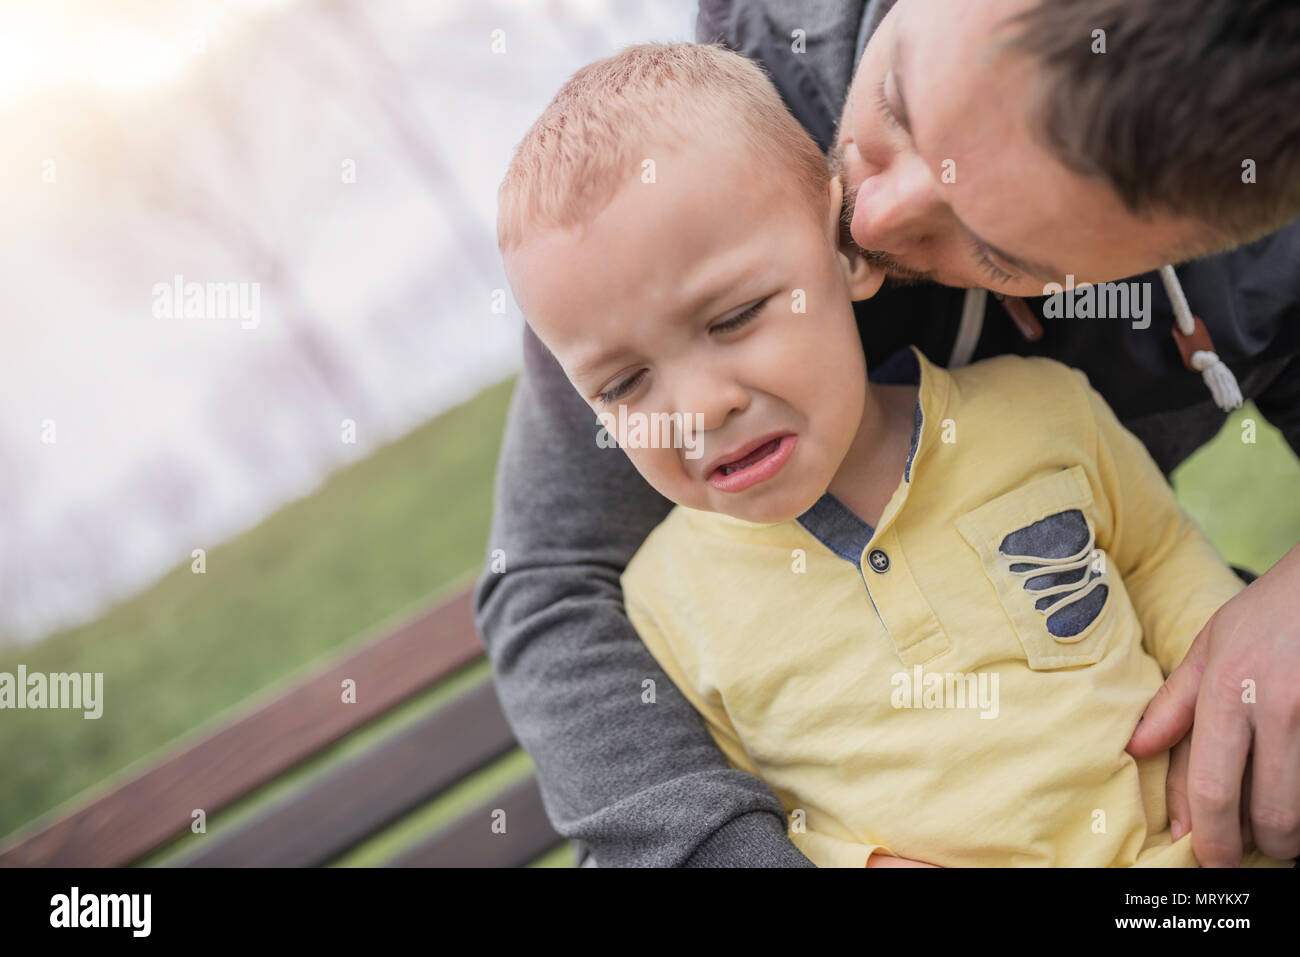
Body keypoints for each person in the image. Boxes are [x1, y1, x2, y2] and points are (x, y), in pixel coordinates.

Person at [477, 0, 1300, 867]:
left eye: (994, 247)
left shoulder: (1224, 285)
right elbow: (550, 581)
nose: (868, 219)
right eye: (899, 103)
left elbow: (1156, 557)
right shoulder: (688, 161)